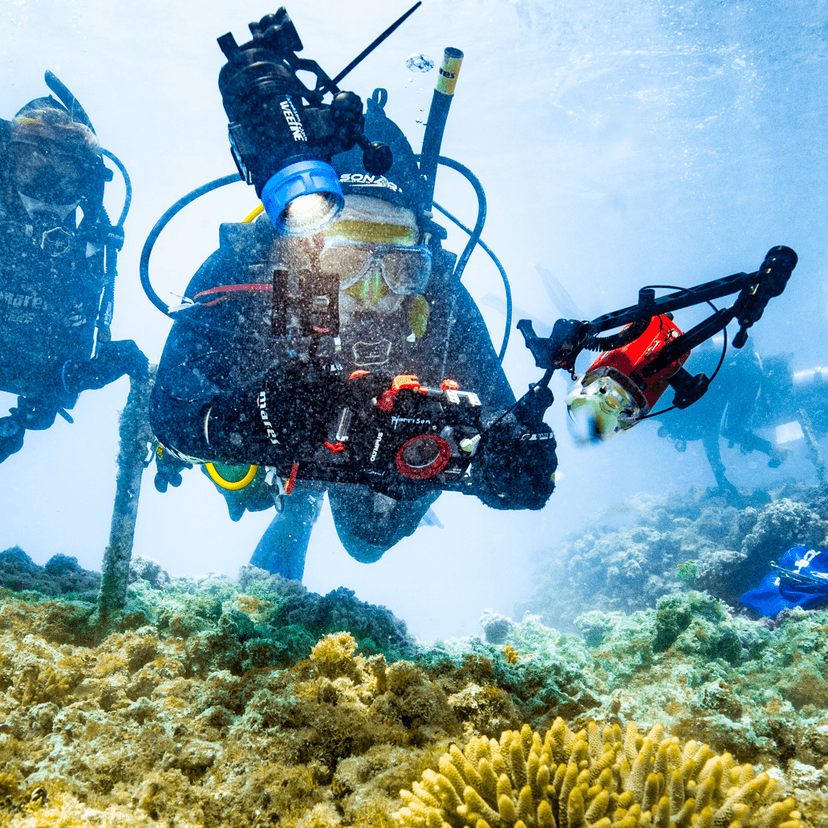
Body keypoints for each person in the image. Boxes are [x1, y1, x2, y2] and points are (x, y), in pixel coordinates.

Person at [150, 90, 557, 581]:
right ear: (302, 247)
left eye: (400, 266)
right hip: (270, 441)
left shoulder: (440, 296)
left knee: (368, 541)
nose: (370, 292)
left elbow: (494, 417)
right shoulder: (250, 267)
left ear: (422, 254)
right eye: (344, 262)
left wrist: (506, 464)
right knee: (246, 489)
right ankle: (296, 505)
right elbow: (171, 413)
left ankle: (334, 492)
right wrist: (259, 419)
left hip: (376, 453)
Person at [0, 87, 147, 463]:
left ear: (86, 186)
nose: (48, 191)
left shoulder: (89, 247)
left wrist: (72, 381)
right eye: (32, 166)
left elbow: (66, 356)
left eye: (66, 174)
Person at [654, 341, 789, 491]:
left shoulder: (743, 367)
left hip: (676, 386)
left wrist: (719, 474)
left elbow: (711, 428)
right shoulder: (749, 377)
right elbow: (726, 430)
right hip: (675, 389)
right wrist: (770, 449)